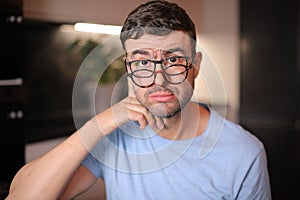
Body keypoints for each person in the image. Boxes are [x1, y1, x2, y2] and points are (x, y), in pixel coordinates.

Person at [7, 0, 271, 199]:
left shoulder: (244, 154)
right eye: (143, 61)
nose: (159, 78)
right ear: (128, 68)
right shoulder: (114, 137)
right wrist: (97, 124)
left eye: (174, 59)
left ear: (196, 65)